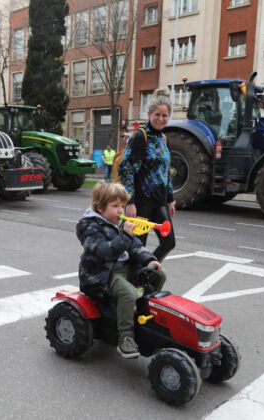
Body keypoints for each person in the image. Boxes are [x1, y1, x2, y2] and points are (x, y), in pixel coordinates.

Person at [77, 182, 163, 359]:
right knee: (128, 292)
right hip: (102, 273)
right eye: (115, 206)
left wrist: (149, 259)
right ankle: (126, 338)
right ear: (100, 208)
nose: (120, 211)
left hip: (123, 268)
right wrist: (125, 236)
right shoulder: (90, 227)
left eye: (123, 206)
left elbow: (135, 246)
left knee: (158, 274)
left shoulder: (118, 223)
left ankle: (141, 312)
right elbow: (104, 252)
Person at [117, 88, 176, 262]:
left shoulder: (164, 139)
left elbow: (166, 172)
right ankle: (136, 282)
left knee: (169, 242)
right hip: (141, 203)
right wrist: (130, 201)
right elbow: (126, 169)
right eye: (157, 114)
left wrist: (170, 199)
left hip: (159, 201)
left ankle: (146, 274)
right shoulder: (140, 136)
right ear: (149, 114)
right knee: (136, 248)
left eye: (164, 116)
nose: (160, 119)